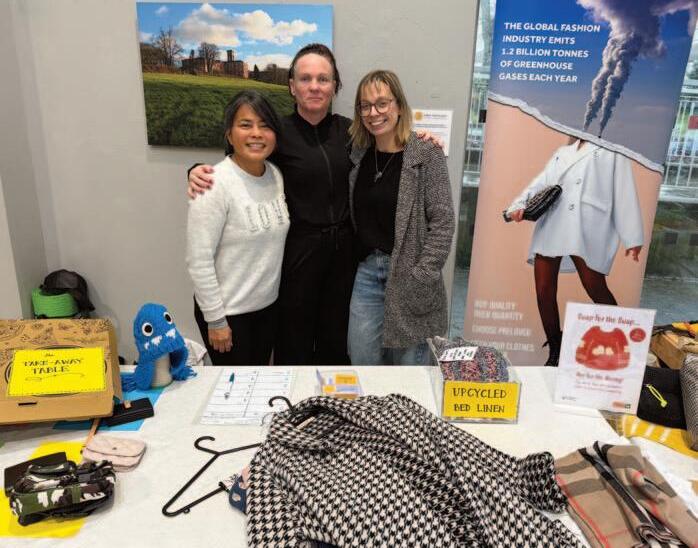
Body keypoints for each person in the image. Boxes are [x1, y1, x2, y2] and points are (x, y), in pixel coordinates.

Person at [189, 44, 354, 366]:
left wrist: (425, 144)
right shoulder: (277, 133)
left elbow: (388, 149)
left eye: (323, 79)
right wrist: (195, 171)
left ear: (335, 86)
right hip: (296, 258)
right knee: (293, 347)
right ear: (292, 86)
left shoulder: (350, 132)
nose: (314, 86)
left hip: (343, 259)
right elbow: (238, 165)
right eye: (305, 79)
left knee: (335, 344)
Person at [346, 70, 454, 365]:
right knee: (363, 363)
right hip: (367, 274)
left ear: (399, 106)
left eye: (382, 103)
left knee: (410, 372)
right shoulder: (358, 154)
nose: (373, 113)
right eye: (365, 106)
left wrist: (422, 274)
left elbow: (443, 222)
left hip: (410, 274)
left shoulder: (426, 153)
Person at [505, 139, 644, 367]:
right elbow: (542, 181)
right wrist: (518, 204)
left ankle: (622, 346)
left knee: (594, 285)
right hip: (553, 220)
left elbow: (624, 192)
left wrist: (632, 236)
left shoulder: (613, 149)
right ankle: (556, 350)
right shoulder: (564, 151)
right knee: (543, 289)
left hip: (585, 223)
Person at [187, 90, 288, 365]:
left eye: (265, 126)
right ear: (230, 135)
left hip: (267, 309)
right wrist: (216, 320)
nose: (256, 133)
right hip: (229, 315)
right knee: (233, 389)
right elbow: (199, 260)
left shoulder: (275, 175)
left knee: (257, 383)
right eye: (245, 125)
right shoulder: (213, 183)